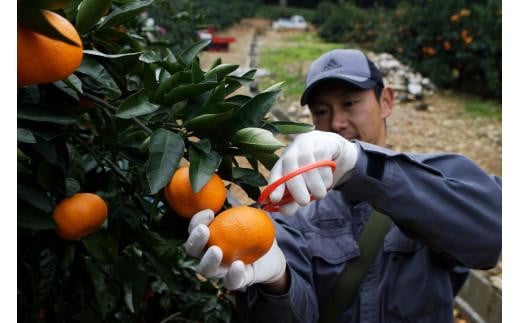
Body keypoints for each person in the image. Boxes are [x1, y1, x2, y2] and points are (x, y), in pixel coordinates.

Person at [183, 49, 502, 322]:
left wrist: (362, 166)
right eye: (322, 111)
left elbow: (492, 234)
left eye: (350, 103)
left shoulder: (432, 180)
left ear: (386, 101)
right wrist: (278, 284)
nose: (336, 123)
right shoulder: (296, 208)